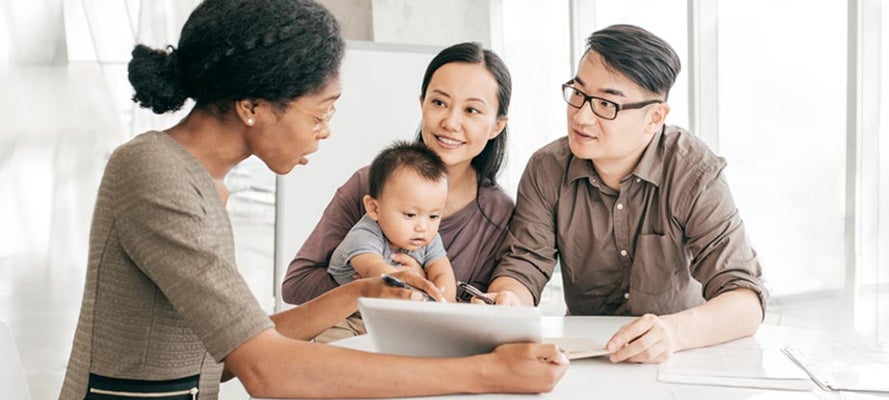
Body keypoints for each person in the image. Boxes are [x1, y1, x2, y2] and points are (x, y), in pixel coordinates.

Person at [59, 1, 566, 399]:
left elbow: (241, 342)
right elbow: (265, 369)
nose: (325, 133)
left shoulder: (201, 181)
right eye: (320, 113)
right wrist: (484, 373)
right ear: (253, 106)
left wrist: (359, 292)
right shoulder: (155, 173)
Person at [485, 24, 767, 364]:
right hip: (587, 360)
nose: (581, 115)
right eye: (578, 93)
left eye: (606, 104)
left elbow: (745, 301)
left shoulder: (693, 171)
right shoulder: (547, 169)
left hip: (679, 357)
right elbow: (523, 266)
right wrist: (507, 300)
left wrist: (672, 333)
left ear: (655, 117)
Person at [283, 42, 514, 308]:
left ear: (497, 125)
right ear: (422, 104)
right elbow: (296, 285)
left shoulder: (499, 214)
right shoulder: (368, 184)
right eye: (439, 102)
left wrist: (423, 283)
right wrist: (379, 288)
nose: (450, 123)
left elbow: (481, 313)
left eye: (471, 110)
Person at [327, 141, 456, 302]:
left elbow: (443, 273)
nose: (423, 227)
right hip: (350, 317)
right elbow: (375, 270)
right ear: (374, 208)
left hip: (394, 315)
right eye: (410, 215)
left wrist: (442, 297)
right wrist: (417, 287)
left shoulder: (430, 238)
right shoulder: (364, 235)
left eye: (434, 216)